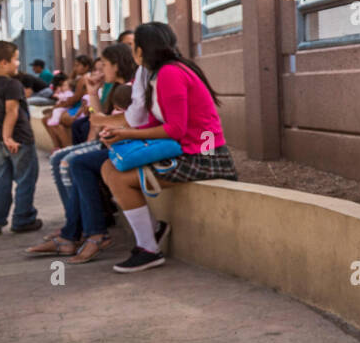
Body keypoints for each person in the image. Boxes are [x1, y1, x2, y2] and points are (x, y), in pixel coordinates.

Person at [100, 22, 236, 272]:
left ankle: (148, 249)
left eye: (134, 48)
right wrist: (125, 134)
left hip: (206, 155)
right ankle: (153, 230)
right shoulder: (159, 73)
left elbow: (175, 129)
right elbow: (157, 122)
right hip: (187, 150)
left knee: (119, 178)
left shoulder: (170, 74)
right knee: (109, 168)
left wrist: (125, 133)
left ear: (141, 51)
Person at [26, 43, 140, 262]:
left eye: (104, 66)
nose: (99, 71)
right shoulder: (112, 88)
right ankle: (74, 230)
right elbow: (97, 119)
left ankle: (84, 232)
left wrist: (95, 108)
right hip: (110, 143)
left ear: (116, 65)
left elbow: (114, 123)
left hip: (125, 146)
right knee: (63, 159)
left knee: (72, 161)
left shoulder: (128, 88)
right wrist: (92, 92)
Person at [0, 41, 42, 235]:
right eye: (15, 59)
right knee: (25, 180)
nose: (18, 63)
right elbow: (12, 111)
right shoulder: (13, 84)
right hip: (18, 140)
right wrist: (8, 137)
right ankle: (22, 219)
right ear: (3, 63)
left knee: (0, 182)